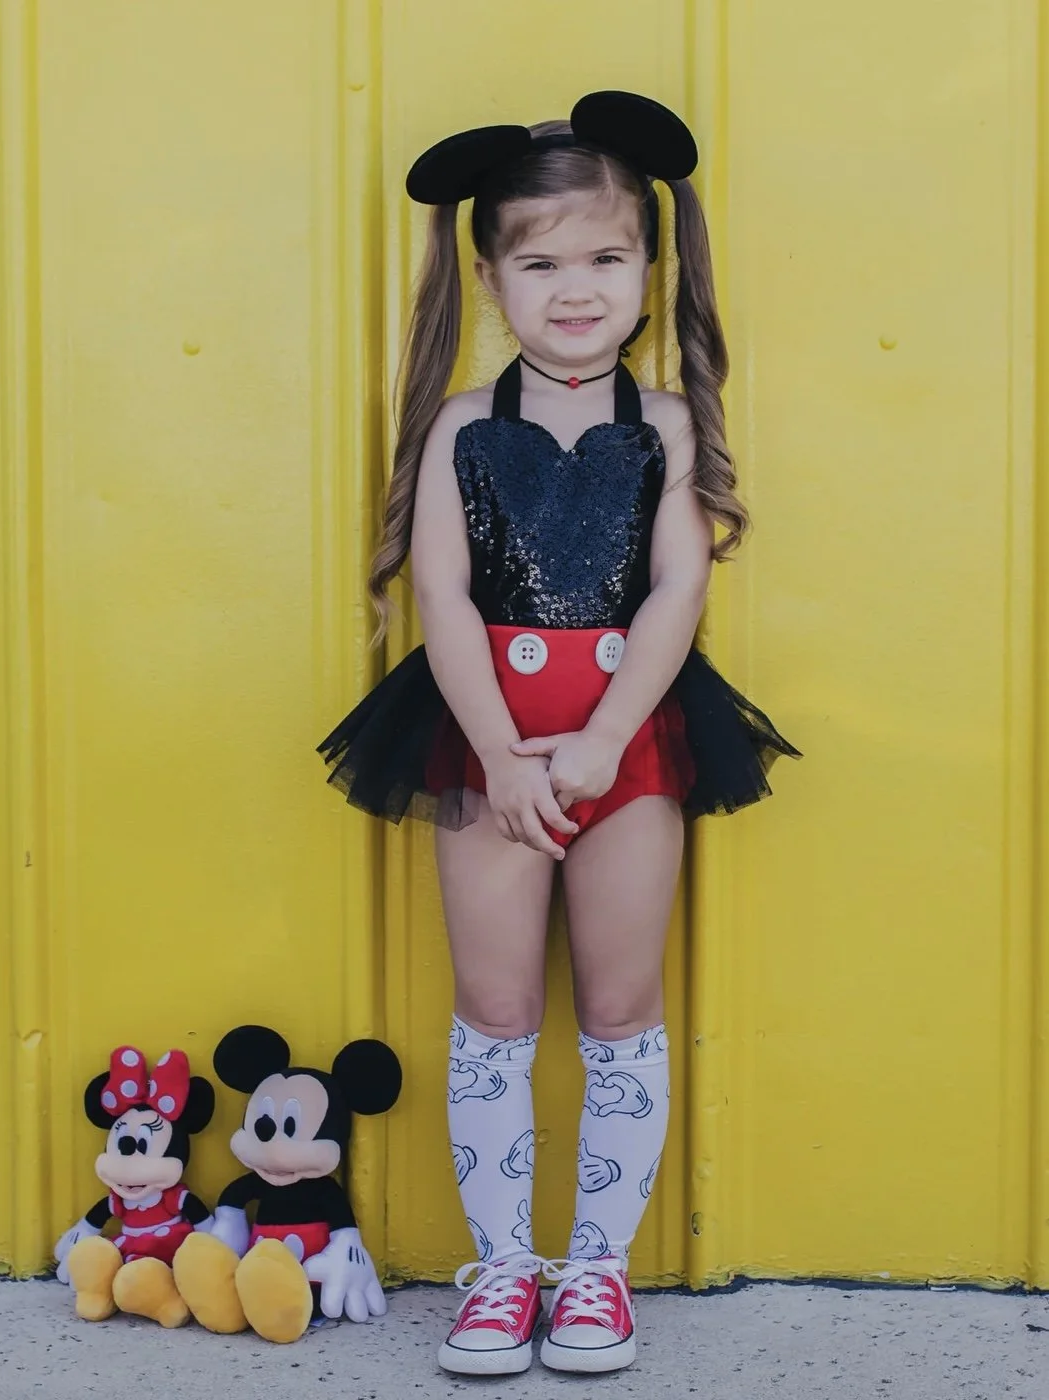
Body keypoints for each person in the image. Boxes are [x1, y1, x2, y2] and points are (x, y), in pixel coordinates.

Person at [318, 90, 800, 1377]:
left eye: (604, 257)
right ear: (490, 278)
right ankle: (502, 1271)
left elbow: (677, 590)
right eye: (538, 263)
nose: (575, 288)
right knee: (493, 1003)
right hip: (485, 740)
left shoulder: (668, 425)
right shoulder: (462, 426)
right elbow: (442, 593)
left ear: (648, 269)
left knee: (622, 999)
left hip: (627, 742)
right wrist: (498, 751)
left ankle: (594, 1269)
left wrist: (600, 740)